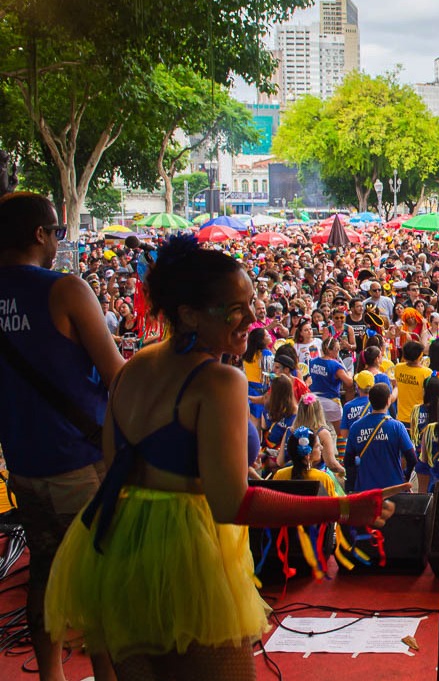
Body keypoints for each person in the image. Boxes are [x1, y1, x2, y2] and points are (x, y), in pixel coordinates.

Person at [44, 234, 403, 679]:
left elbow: (117, 464)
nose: (254, 318)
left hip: (118, 554)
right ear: (189, 314)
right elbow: (233, 502)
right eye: (236, 308)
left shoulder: (131, 367)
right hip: (187, 561)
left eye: (252, 302)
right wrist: (343, 507)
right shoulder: (219, 382)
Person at [0, 192, 124, 681]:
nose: (59, 241)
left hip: (24, 465)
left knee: (46, 573)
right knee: (100, 579)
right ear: (39, 235)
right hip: (79, 461)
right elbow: (117, 374)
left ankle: (52, 674)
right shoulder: (65, 290)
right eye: (58, 231)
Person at [344, 383, 417, 492]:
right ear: (388, 401)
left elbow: (348, 460)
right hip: (393, 488)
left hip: (365, 489)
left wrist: (354, 482)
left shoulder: (356, 427)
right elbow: (412, 458)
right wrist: (405, 476)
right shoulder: (397, 427)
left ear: (370, 400)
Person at [391, 340, 432, 426]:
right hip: (419, 418)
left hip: (401, 417)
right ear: (420, 355)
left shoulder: (398, 368)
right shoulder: (427, 372)